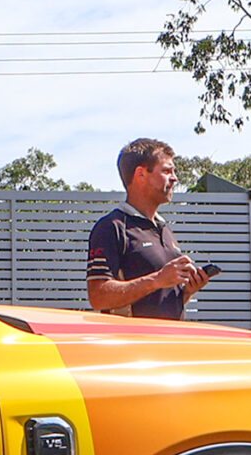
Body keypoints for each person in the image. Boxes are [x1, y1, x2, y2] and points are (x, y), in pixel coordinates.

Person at [87, 137, 210, 319]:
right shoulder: (112, 227)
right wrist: (157, 280)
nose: (174, 178)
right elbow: (98, 296)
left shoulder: (165, 230)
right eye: (167, 171)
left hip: (168, 343)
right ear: (141, 174)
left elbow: (157, 301)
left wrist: (186, 292)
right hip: (132, 345)